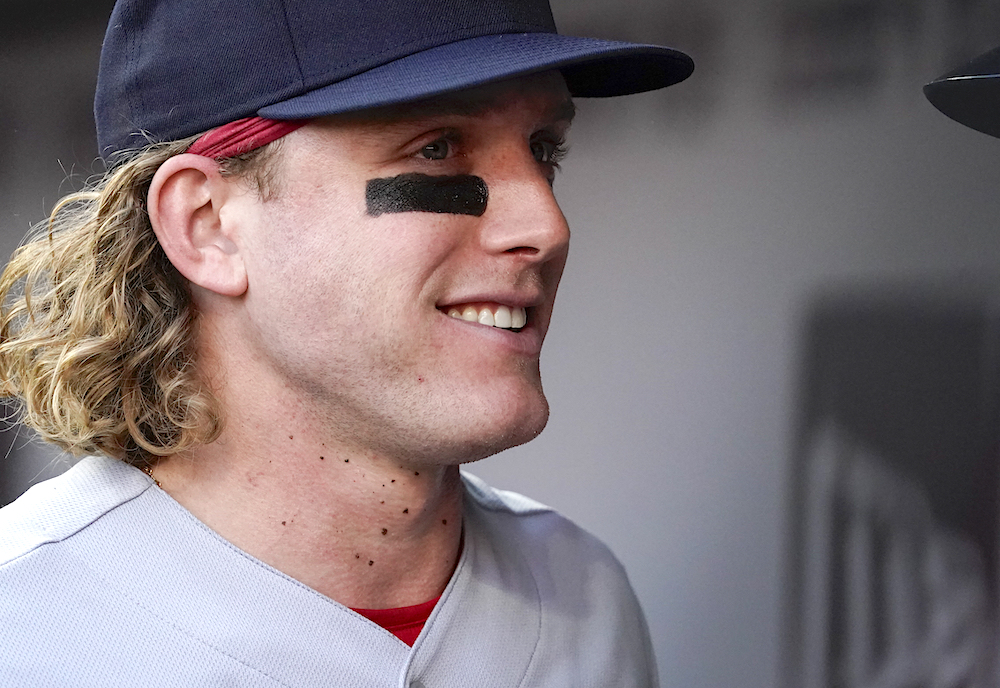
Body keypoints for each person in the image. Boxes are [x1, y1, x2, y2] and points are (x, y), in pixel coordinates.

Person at [0, 0, 693, 684]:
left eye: (543, 150)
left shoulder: (585, 600)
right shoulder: (25, 621)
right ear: (207, 225)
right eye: (439, 147)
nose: (546, 225)